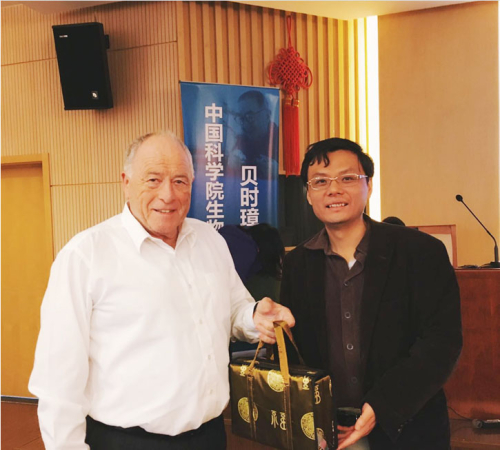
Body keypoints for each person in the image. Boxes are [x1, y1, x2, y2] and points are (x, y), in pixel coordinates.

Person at [29, 131, 294, 450]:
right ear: (126, 182)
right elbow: (58, 379)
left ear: (192, 184)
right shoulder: (85, 256)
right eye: (153, 180)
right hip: (126, 441)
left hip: (209, 436)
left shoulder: (209, 240)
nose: (168, 195)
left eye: (180, 181)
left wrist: (254, 317)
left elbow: (234, 308)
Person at [280, 137, 462, 450]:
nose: (333, 190)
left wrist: (383, 406)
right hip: (331, 432)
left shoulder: (420, 252)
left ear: (369, 186)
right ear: (308, 194)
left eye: (347, 178)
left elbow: (441, 342)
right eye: (320, 181)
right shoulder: (297, 263)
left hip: (408, 428)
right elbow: (295, 351)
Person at [227, 90, 279, 179]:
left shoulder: (280, 140)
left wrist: (277, 172)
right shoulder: (241, 140)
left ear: (267, 115)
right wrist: (231, 163)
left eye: (250, 117)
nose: (245, 125)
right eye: (241, 118)